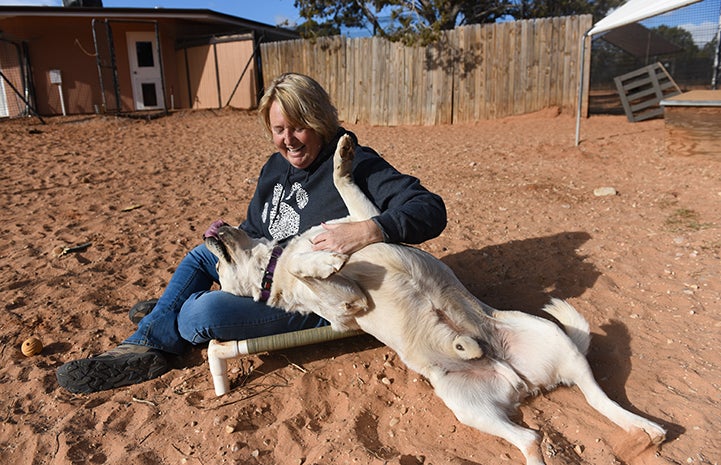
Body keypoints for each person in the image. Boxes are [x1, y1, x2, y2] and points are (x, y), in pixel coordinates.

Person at [56, 73, 447, 394]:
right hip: (266, 274)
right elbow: (257, 231)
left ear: (321, 121)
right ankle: (148, 343)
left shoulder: (354, 162)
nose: (288, 140)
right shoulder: (274, 168)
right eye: (279, 129)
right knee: (202, 254)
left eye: (299, 128)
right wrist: (231, 239)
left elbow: (430, 210)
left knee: (197, 315)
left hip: (311, 297)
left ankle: (169, 313)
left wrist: (367, 229)